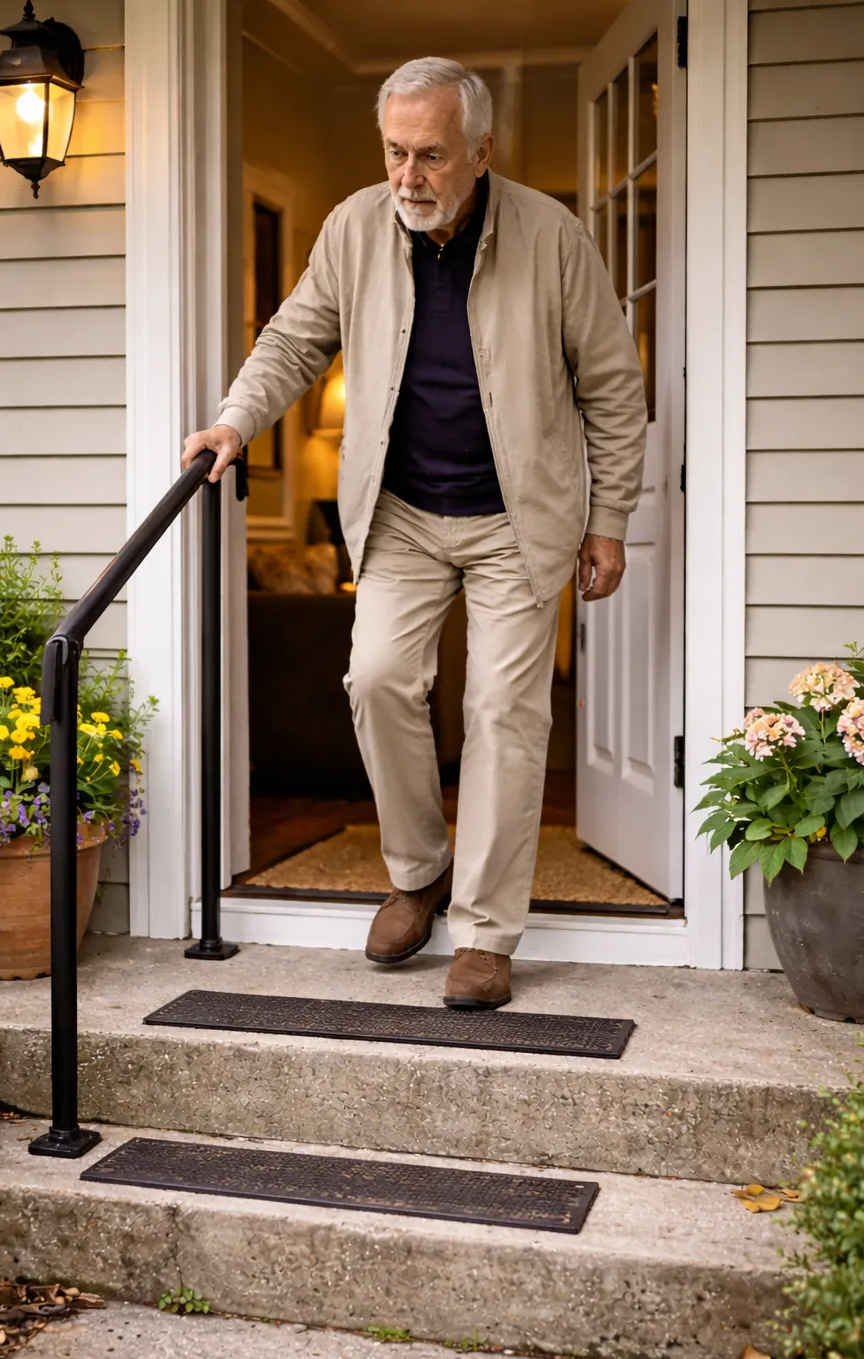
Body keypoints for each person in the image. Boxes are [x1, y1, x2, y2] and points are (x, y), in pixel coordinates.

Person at [183, 56, 647, 1010]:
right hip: (399, 515)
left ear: (481, 150)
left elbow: (610, 385)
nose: (409, 177)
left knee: (503, 715)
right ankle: (418, 869)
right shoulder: (355, 226)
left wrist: (609, 518)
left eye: (430, 156)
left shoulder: (551, 236)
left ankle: (483, 931)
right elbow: (294, 338)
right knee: (379, 679)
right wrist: (235, 420)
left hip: (519, 521)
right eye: (394, 152)